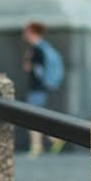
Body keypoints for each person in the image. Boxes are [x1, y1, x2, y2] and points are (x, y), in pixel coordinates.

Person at [22, 22, 64, 156]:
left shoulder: (36, 50)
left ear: (32, 32)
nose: (24, 34)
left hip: (36, 89)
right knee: (36, 117)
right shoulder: (43, 48)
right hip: (40, 88)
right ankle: (53, 139)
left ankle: (38, 146)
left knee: (32, 118)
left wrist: (28, 61)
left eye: (26, 31)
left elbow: (31, 69)